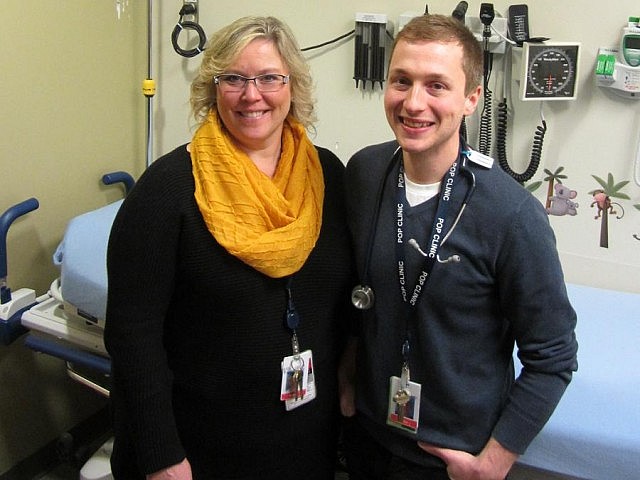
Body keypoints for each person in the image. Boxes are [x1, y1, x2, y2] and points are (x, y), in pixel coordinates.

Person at [104, 16, 355, 479]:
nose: (251, 94)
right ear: (213, 88)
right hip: (199, 449)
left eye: (269, 78)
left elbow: (346, 299)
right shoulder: (165, 192)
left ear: (292, 86)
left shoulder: (328, 178)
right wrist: (161, 456)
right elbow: (131, 336)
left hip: (305, 443)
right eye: (233, 79)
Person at [340, 14, 578, 480]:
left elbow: (553, 357)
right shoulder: (365, 174)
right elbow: (360, 292)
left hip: (452, 457)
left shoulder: (511, 216)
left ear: (472, 99)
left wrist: (493, 462)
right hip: (367, 436)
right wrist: (349, 379)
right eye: (401, 81)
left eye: (436, 86)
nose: (413, 103)